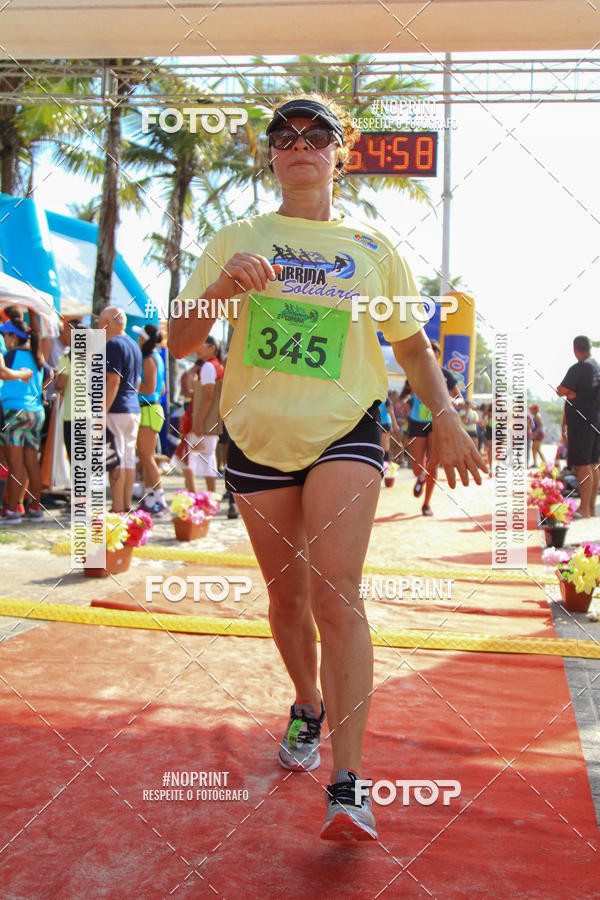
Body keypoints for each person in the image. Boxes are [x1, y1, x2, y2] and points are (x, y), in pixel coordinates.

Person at [168, 93, 486, 842]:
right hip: (255, 437)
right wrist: (220, 291)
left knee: (337, 595)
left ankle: (349, 784)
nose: (300, 144)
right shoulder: (236, 236)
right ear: (270, 153)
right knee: (288, 599)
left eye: (318, 134)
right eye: (286, 134)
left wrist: (444, 417)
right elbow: (181, 342)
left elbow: (411, 347)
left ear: (342, 152)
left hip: (346, 430)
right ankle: (307, 703)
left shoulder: (374, 245)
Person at [404, 340, 464, 516]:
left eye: (436, 351)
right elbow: (406, 393)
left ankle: (427, 503)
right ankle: (420, 477)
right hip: (416, 421)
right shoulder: (414, 371)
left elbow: (460, 398)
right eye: (430, 349)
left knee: (433, 464)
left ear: (438, 355)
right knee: (416, 467)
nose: (433, 353)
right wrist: (406, 402)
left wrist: (454, 402)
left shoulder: (446, 375)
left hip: (438, 422)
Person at [0, 318, 52, 522]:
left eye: (6, 335)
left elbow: (3, 373)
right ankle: (35, 507)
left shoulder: (10, 355)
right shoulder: (37, 356)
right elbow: (50, 373)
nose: (4, 339)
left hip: (15, 411)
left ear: (14, 337)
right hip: (36, 412)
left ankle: (12, 510)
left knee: (15, 464)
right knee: (32, 463)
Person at [98, 307, 142, 513]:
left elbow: (113, 380)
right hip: (132, 407)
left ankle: (117, 508)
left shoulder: (113, 344)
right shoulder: (133, 344)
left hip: (116, 408)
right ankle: (124, 505)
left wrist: (101, 411)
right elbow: (138, 380)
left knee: (115, 459)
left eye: (100, 322)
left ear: (107, 323)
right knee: (128, 458)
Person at [557, 335, 600, 517]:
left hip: (582, 422)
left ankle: (584, 508)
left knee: (583, 465)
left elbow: (560, 390)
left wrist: (572, 392)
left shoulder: (580, 367)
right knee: (594, 464)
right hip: (596, 419)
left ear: (575, 350)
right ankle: (589, 508)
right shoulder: (596, 367)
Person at [134, 324, 168, 516]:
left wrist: (133, 383)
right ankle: (149, 499)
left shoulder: (148, 360)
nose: (138, 339)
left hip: (149, 410)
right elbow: (161, 389)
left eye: (140, 336)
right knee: (146, 458)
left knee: (147, 458)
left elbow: (150, 387)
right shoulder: (157, 358)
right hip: (153, 409)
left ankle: (159, 500)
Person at [186, 335, 224, 494]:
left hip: (205, 421)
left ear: (212, 348)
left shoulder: (209, 367)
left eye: (202, 345)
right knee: (206, 457)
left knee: (198, 458)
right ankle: (207, 497)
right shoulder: (217, 366)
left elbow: (208, 397)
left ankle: (200, 498)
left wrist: (198, 423)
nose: (198, 348)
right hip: (211, 420)